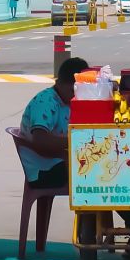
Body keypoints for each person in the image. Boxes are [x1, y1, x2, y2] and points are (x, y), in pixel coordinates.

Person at [17, 57, 89, 189]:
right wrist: (75, 141)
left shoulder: (66, 101)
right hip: (43, 170)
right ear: (64, 84)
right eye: (75, 90)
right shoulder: (46, 102)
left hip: (56, 162)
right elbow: (40, 140)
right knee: (93, 173)